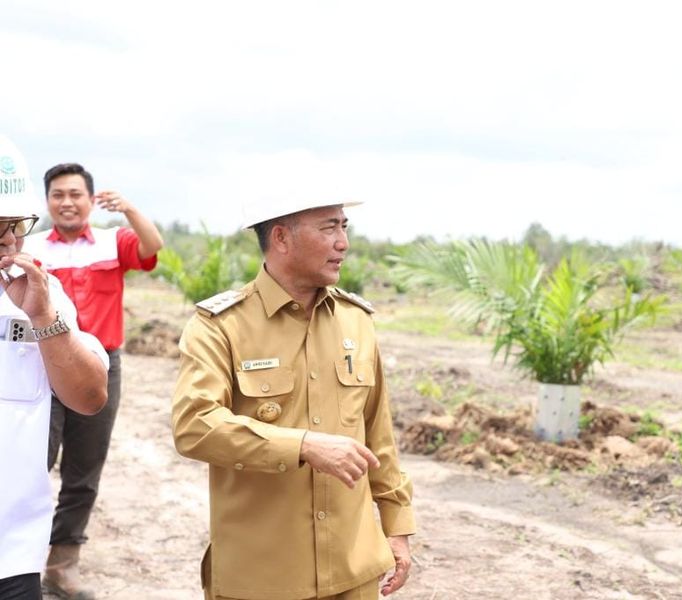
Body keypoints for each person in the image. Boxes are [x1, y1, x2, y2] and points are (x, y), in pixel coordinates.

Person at [171, 196, 415, 600]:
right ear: (281, 237)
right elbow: (194, 425)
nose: (343, 243)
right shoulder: (220, 327)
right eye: (328, 228)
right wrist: (302, 445)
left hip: (354, 572)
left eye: (344, 226)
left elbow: (378, 434)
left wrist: (397, 526)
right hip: (261, 578)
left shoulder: (357, 322)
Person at [23, 162, 164, 599]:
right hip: (38, 365)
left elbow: (151, 248)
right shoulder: (28, 247)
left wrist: (130, 210)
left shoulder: (112, 241)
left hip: (100, 367)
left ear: (90, 199)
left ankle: (62, 564)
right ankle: (19, 561)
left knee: (84, 468)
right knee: (29, 465)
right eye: (58, 195)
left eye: (76, 194)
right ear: (46, 202)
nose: (67, 202)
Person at [0, 135, 108, 600]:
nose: (8, 241)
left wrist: (43, 318)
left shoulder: (41, 295)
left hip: (12, 553)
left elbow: (88, 398)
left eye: (15, 226)